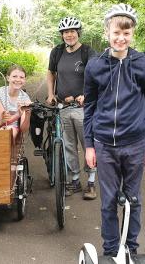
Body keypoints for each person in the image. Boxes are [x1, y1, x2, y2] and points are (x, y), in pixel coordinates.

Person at [83, 3, 145, 258]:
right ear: (107, 32)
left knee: (133, 200)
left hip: (135, 144)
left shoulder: (143, 64)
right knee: (108, 202)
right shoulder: (95, 66)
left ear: (132, 34)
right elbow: (90, 107)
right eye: (116, 32)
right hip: (104, 144)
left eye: (126, 33)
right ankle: (111, 250)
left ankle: (132, 249)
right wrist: (89, 145)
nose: (121, 38)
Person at [41, 16, 98, 200]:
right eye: (66, 32)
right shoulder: (57, 52)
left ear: (78, 33)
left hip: (83, 108)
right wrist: (50, 94)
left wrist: (87, 94)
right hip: (62, 106)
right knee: (68, 146)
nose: (69, 35)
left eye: (72, 31)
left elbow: (96, 75)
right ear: (62, 35)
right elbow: (51, 73)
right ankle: (74, 180)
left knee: (88, 144)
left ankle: (90, 182)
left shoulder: (88, 52)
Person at [0, 65, 32, 142]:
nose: (18, 80)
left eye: (21, 77)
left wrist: (27, 114)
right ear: (8, 78)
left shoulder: (25, 98)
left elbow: (23, 130)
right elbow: (3, 121)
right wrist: (18, 114)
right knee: (4, 131)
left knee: (9, 131)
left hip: (12, 128)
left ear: (25, 80)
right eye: (14, 76)